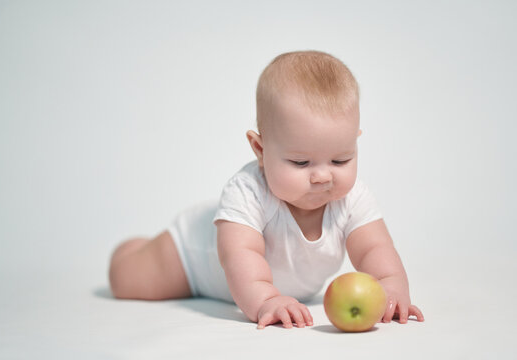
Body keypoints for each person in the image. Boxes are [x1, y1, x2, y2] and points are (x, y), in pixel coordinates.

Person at [108, 50, 425, 329]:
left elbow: (374, 249)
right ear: (260, 149)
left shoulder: (352, 198)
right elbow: (239, 255)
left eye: (341, 159)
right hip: (191, 258)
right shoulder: (248, 191)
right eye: (301, 163)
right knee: (127, 280)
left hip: (250, 276)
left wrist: (391, 285)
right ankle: (133, 248)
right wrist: (266, 300)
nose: (322, 176)